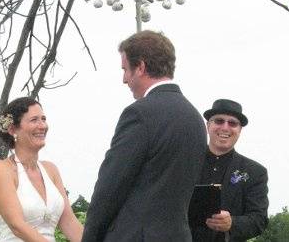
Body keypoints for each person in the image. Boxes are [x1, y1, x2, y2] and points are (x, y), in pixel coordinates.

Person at [82, 30, 208, 242]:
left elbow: (110, 187)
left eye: (125, 69)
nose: (124, 79)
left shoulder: (139, 114)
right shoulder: (195, 119)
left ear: (140, 67)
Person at [0, 97, 83, 242]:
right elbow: (17, 225)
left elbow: (69, 222)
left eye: (43, 119)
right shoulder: (1, 169)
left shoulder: (51, 170)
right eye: (34, 120)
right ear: (13, 129)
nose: (42, 125)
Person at [188, 99, 269, 242]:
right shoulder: (184, 163)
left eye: (232, 123)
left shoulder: (255, 172)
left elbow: (259, 220)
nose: (225, 127)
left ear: (239, 130)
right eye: (219, 121)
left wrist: (232, 223)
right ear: (208, 126)